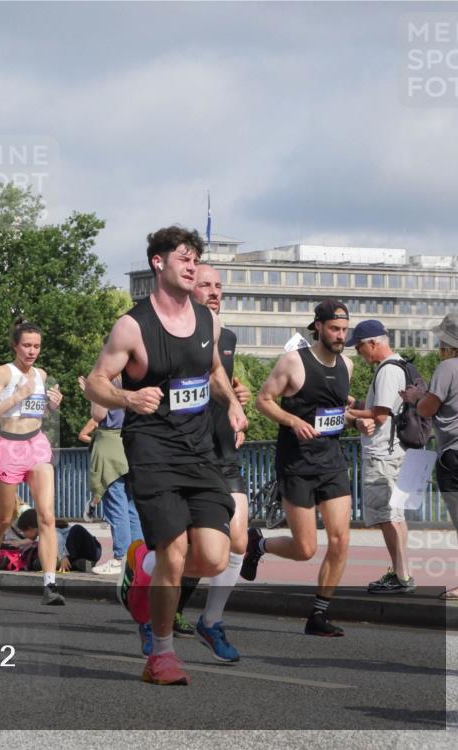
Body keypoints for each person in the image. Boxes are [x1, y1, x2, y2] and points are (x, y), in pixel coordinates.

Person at [85, 226, 246, 685]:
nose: (192, 265)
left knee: (215, 557)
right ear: (159, 263)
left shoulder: (207, 320)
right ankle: (161, 654)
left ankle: (144, 567)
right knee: (175, 552)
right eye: (183, 257)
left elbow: (213, 369)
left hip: (200, 452)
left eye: (195, 258)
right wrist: (128, 400)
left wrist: (233, 405)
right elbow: (98, 381)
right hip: (152, 449)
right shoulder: (133, 325)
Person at [245, 300, 355, 636]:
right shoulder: (294, 361)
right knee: (305, 549)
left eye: (344, 330)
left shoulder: (348, 365)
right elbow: (263, 400)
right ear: (318, 327)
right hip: (297, 464)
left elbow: (333, 413)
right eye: (334, 329)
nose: (340, 336)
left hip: (332, 462)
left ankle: (318, 615)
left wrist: (355, 421)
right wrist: (292, 420)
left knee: (340, 540)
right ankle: (258, 545)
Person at [180, 263, 254, 661]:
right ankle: (156, 595)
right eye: (204, 284)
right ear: (189, 289)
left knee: (237, 540)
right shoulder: (174, 333)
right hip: (186, 450)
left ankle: (211, 621)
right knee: (194, 546)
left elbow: (220, 378)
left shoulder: (228, 335)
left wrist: (234, 404)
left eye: (218, 286)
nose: (213, 291)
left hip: (223, 450)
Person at [0, 319, 66, 606]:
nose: (32, 351)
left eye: (36, 346)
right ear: (15, 345)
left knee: (47, 516)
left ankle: (49, 584)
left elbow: (39, 410)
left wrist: (52, 405)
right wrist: (18, 394)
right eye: (26, 345)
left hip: (37, 445)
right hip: (10, 447)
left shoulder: (41, 374)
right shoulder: (4, 372)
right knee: (3, 518)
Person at [346, 320, 416, 594]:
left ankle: (401, 576)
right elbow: (382, 408)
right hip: (396, 451)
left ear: (373, 343)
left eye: (360, 346)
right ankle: (403, 573)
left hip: (382, 454)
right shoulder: (400, 365)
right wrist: (358, 405)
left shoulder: (387, 370)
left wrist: (347, 415)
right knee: (396, 515)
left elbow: (381, 415)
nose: (359, 353)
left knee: (387, 516)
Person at [402, 313, 458, 600]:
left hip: (455, 455)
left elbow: (428, 410)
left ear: (448, 342)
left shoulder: (447, 368)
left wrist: (417, 397)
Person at [77, 373, 142, 577]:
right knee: (132, 507)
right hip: (133, 443)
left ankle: (120, 558)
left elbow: (98, 414)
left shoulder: (107, 378)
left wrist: (91, 393)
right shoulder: (137, 377)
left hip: (110, 443)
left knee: (116, 504)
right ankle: (138, 559)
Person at [14, 508, 101, 572]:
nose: (23, 535)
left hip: (92, 550)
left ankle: (69, 562)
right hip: (78, 555)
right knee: (38, 563)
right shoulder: (41, 537)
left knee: (76, 528)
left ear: (31, 528)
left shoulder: (48, 530)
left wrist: (63, 556)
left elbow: (57, 537)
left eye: (24, 532)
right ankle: (77, 564)